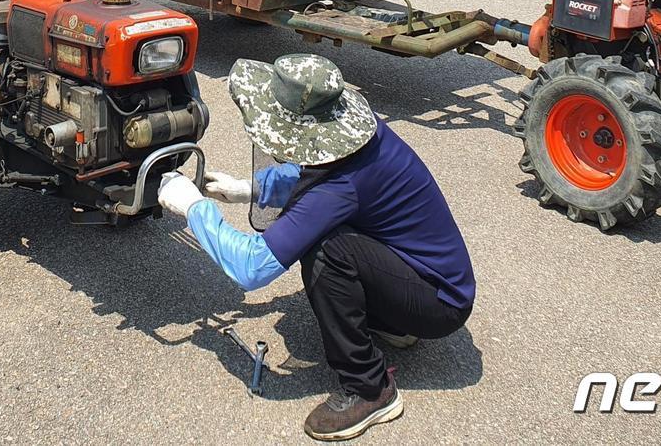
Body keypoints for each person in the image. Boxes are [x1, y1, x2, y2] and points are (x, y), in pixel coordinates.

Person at [157, 54, 476, 442]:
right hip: (424, 276)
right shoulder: (359, 136)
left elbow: (251, 267)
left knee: (327, 252)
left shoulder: (340, 188)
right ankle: (393, 322)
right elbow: (309, 167)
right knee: (333, 239)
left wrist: (194, 208)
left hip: (440, 302)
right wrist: (250, 189)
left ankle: (370, 389)